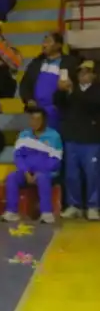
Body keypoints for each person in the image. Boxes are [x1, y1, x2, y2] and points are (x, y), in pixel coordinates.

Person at [54, 60, 100, 220]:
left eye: (87, 71)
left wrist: (72, 91)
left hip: (91, 139)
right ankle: (74, 205)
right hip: (72, 137)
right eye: (80, 71)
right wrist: (60, 90)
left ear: (93, 75)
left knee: (92, 174)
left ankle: (93, 206)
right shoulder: (70, 90)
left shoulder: (96, 90)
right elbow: (58, 104)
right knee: (71, 174)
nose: (82, 74)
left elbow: (92, 104)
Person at [2, 108, 62, 224]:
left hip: (46, 172)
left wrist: (39, 171)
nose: (34, 122)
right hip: (26, 172)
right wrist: (25, 171)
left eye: (38, 119)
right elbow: (18, 156)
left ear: (44, 121)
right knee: (12, 177)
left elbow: (56, 160)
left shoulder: (54, 136)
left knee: (43, 178)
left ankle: (46, 213)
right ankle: (11, 212)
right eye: (32, 119)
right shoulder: (24, 135)